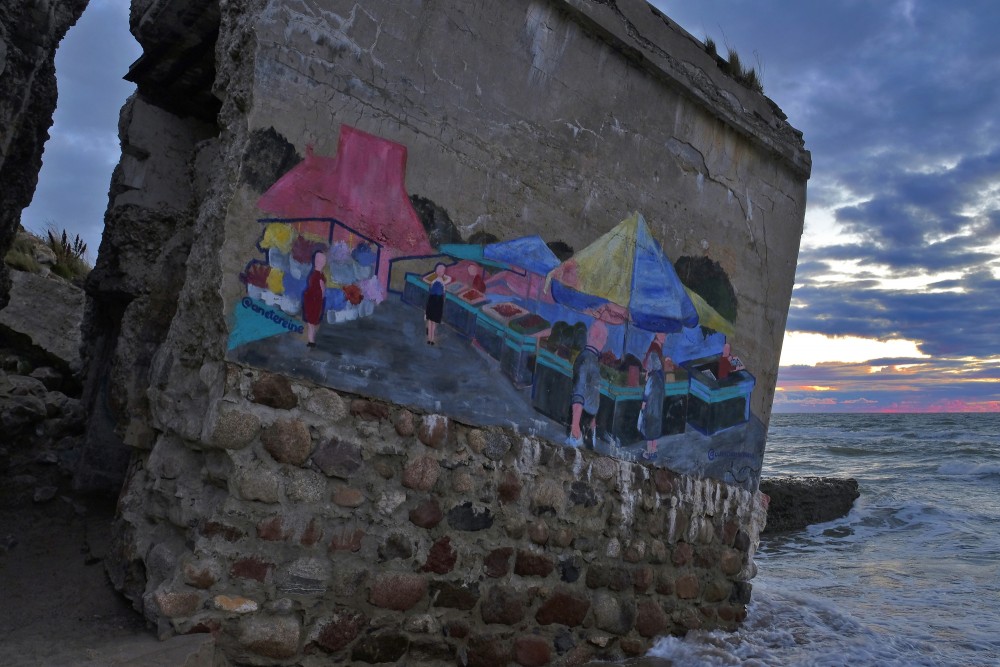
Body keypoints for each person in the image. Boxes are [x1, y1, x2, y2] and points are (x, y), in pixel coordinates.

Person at [567, 320, 607, 448]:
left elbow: (591, 392)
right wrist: (575, 424)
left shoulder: (592, 359)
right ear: (596, 337)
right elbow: (579, 391)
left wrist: (593, 420)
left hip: (587, 420)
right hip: (580, 419)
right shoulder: (586, 359)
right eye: (604, 338)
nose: (605, 342)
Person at [638, 333, 666, 460]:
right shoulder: (660, 378)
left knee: (649, 428)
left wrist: (643, 403)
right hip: (657, 410)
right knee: (655, 428)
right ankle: (654, 450)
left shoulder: (651, 378)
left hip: (650, 409)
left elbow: (647, 393)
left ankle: (649, 452)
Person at [302, 251, 327, 347]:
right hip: (314, 301)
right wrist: (322, 298)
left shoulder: (314, 274)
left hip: (311, 300)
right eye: (323, 261)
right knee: (311, 323)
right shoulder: (318, 276)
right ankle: (311, 341)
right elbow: (322, 291)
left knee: (310, 324)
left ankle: (311, 341)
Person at [425, 262, 450, 345]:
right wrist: (435, 274)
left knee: (434, 321)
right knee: (430, 320)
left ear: (444, 272)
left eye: (442, 270)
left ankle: (432, 339)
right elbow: (424, 279)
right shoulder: (433, 280)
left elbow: (449, 278)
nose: (440, 271)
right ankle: (429, 338)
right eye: (438, 269)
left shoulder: (444, 280)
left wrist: (442, 275)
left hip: (438, 302)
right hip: (432, 300)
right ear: (435, 270)